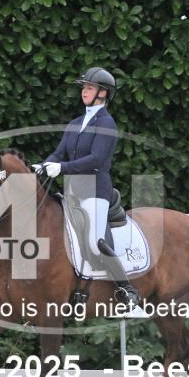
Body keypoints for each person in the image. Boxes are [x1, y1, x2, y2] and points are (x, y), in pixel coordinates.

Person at [33, 67, 140, 307]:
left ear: (103, 93)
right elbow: (59, 153)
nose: (84, 91)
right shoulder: (75, 123)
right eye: (83, 87)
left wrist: (62, 168)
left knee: (94, 241)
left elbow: (96, 159)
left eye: (89, 88)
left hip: (95, 192)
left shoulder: (107, 123)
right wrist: (46, 164)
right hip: (72, 192)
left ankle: (126, 288)